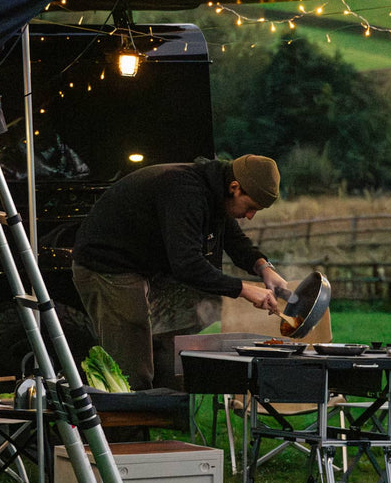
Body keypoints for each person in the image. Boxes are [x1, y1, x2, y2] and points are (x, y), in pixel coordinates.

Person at [72, 154, 288, 390]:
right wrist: (245, 289)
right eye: (251, 208)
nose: (250, 216)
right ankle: (130, 417)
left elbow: (234, 240)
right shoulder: (185, 191)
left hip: (144, 267)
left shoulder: (217, 192)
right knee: (131, 355)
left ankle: (166, 392)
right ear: (235, 187)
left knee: (208, 301)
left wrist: (264, 268)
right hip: (107, 265)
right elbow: (187, 265)